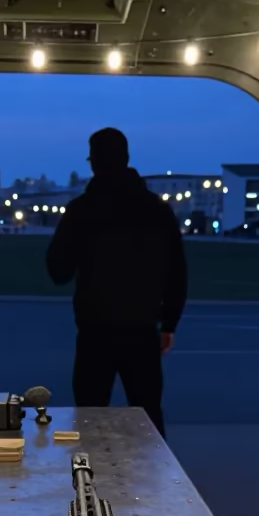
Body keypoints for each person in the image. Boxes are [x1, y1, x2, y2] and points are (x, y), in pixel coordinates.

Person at [46, 127, 187, 437]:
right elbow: (177, 272)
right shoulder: (157, 210)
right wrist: (169, 325)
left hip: (95, 332)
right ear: (126, 159)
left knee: (90, 417)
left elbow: (58, 271)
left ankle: (92, 481)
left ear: (93, 162)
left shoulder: (82, 211)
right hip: (142, 330)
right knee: (149, 414)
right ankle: (154, 482)